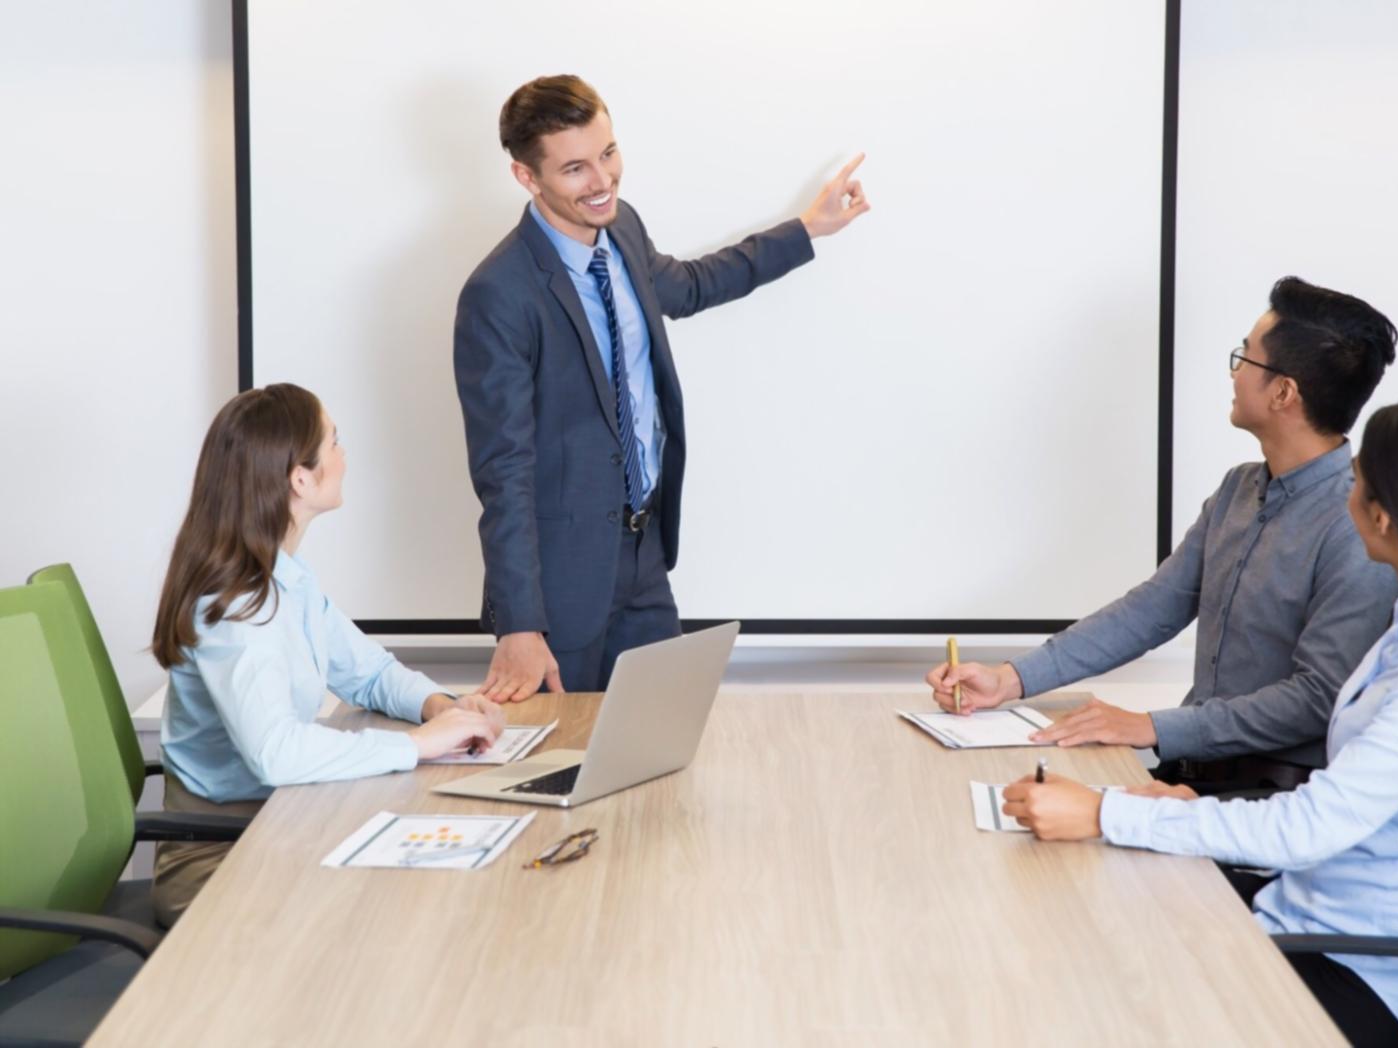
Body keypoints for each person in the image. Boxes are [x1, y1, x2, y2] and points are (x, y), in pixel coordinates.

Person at [1000, 401, 1398, 1042]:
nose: (1344, 491)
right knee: (1092, 907)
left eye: (1355, 479)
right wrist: (1181, 812)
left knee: (1100, 977)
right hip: (1298, 908)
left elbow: (1310, 829)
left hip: (1354, 963)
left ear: (1378, 516)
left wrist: (1104, 812)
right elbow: (1340, 805)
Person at [454, 74, 869, 698]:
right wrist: (520, 623)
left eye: (609, 153)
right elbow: (503, 470)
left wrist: (809, 228)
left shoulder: (623, 232)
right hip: (559, 585)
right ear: (526, 177)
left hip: (643, 555)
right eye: (575, 169)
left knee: (655, 749)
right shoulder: (499, 294)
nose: (603, 181)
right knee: (557, 772)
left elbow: (693, 284)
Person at [929, 277, 1398, 793]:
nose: (1236, 372)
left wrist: (1150, 726)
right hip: (1183, 779)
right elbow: (1152, 609)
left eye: (1246, 358)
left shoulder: (1356, 523)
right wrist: (1009, 680)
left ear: (1284, 392)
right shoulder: (1239, 489)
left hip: (1267, 800)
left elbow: (1318, 699)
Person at [149, 383, 504, 925]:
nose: (344, 456)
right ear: (300, 477)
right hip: (221, 855)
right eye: (335, 443)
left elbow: (368, 672)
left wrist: (440, 707)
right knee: (394, 910)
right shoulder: (234, 608)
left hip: (281, 824)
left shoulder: (285, 577)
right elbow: (276, 752)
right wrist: (416, 746)